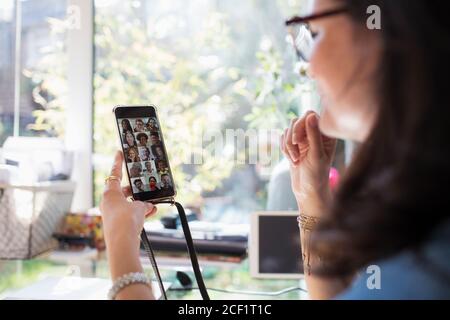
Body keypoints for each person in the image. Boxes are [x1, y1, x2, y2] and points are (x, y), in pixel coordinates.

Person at [100, 0, 450, 300]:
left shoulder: (426, 269)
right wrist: (311, 194)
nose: (309, 67)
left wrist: (119, 238)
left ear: (388, 35)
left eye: (315, 35)